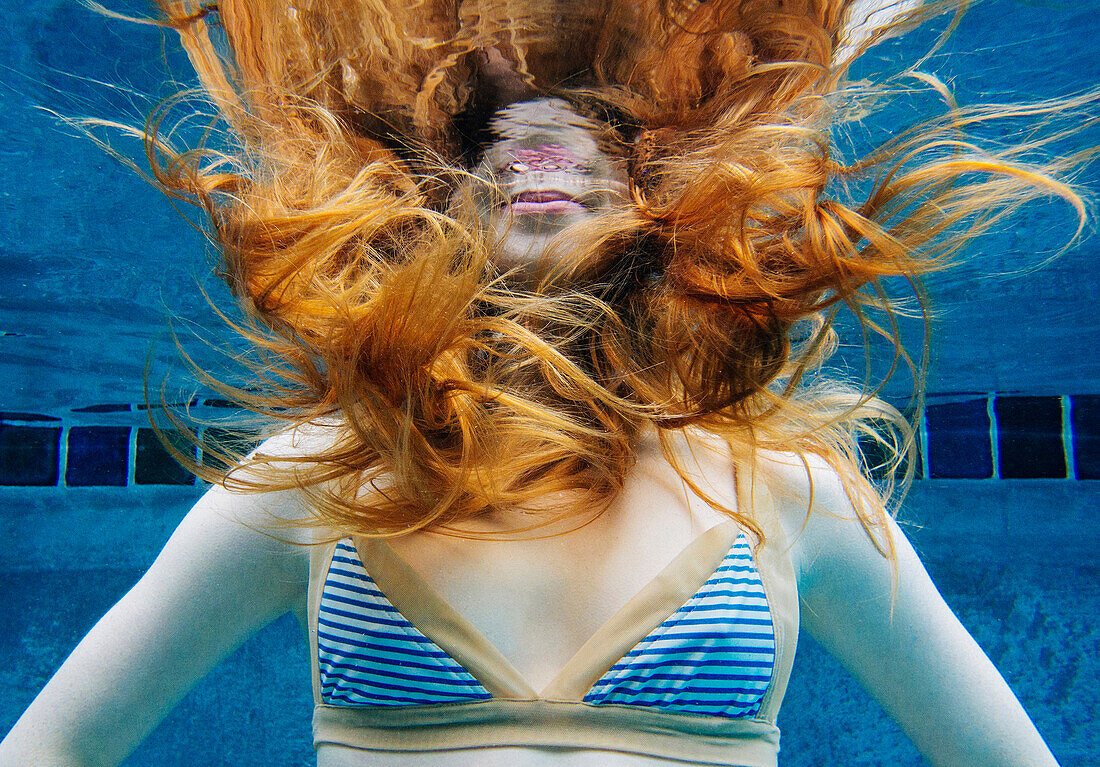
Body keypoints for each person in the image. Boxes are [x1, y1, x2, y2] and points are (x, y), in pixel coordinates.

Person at [0, 0, 1079, 765]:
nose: (536, 143)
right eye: (489, 137)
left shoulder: (789, 491)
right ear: (433, 196)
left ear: (656, 186)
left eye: (589, 128)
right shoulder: (318, 477)